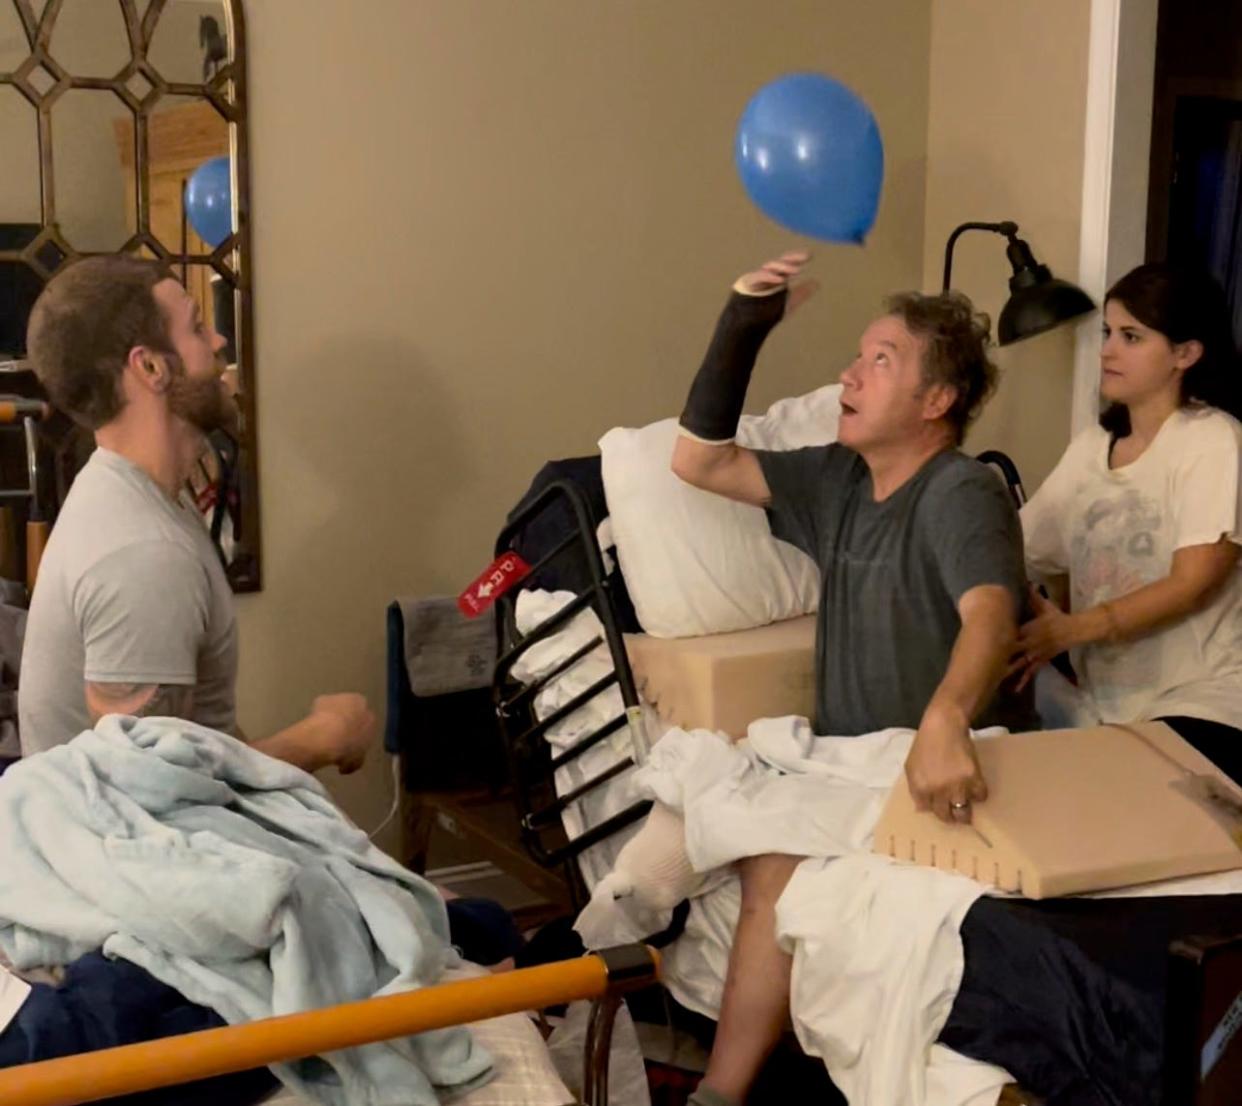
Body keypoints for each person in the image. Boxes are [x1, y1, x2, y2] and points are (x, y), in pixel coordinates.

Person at [670, 250, 1034, 1106]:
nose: (849, 372)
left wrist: (945, 718)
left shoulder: (959, 490)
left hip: (934, 761)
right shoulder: (838, 480)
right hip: (846, 758)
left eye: (881, 360)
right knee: (688, 833)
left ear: (936, 401)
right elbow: (698, 462)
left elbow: (992, 613)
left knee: (769, 866)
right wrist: (743, 320)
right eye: (858, 355)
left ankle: (717, 1096)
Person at [18, 255, 375, 774]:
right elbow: (149, 794)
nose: (219, 343)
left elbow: (197, 747)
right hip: (131, 850)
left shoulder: (145, 496)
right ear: (151, 367)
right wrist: (323, 738)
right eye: (198, 328)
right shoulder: (142, 557)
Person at [1017, 262, 1242, 781]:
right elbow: (1021, 545)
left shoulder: (1213, 441)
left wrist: (1070, 631)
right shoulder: (1091, 448)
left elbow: (1191, 583)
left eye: (1131, 336)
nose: (1107, 351)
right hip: (1103, 706)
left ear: (1186, 354)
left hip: (1204, 701)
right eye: (1108, 333)